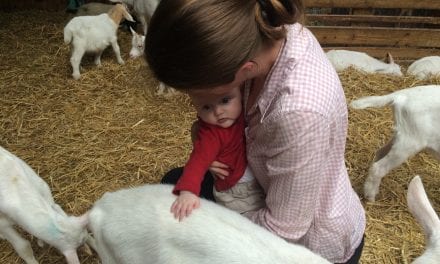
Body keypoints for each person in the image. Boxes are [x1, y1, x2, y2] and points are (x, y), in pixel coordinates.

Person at [145, 0, 366, 263]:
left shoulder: (298, 112)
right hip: (262, 184)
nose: (191, 96)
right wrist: (202, 138)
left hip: (304, 244)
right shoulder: (266, 31)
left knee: (187, 229)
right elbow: (215, 126)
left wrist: (214, 229)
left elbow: (284, 229)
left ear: (242, 72)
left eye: (195, 90)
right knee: (173, 184)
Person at [171, 85, 265, 221]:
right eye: (207, 107)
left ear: (241, 93)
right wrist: (188, 191)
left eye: (225, 101)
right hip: (238, 191)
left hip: (252, 181)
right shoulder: (211, 135)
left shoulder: (240, 113)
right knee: (241, 223)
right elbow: (197, 162)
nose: (218, 111)